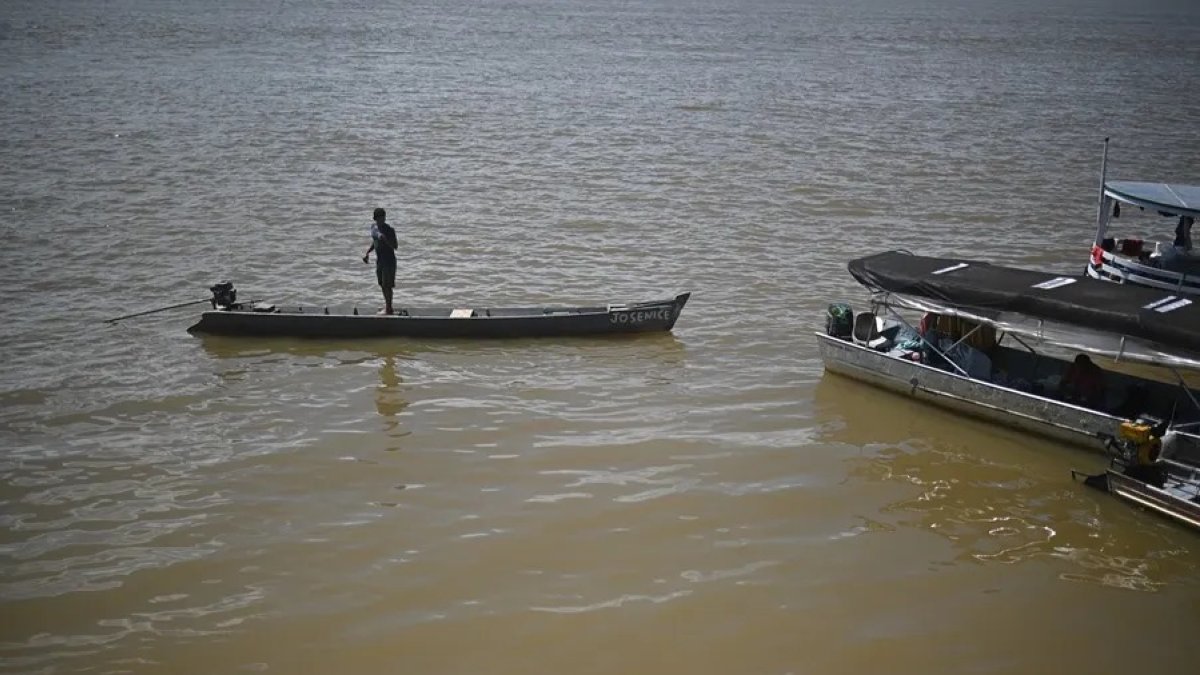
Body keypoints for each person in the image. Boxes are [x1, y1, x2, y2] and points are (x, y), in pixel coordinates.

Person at [362, 207, 398, 314]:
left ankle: (388, 308)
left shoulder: (390, 230)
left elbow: (395, 246)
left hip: (389, 261)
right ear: (375, 219)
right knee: (382, 284)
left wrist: (386, 240)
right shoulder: (373, 228)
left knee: (387, 285)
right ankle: (388, 306)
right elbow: (375, 241)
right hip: (380, 261)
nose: (382, 220)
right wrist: (368, 252)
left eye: (383, 218)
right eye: (379, 218)